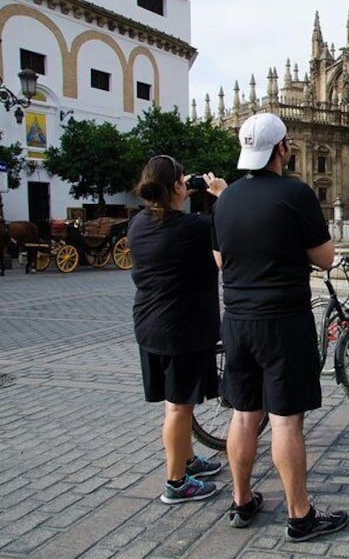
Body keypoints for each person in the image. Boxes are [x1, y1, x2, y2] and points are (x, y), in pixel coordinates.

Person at [212, 113, 347, 541]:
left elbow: (220, 260)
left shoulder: (225, 200)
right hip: (283, 321)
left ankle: (241, 501)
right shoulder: (296, 193)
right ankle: (300, 515)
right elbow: (325, 259)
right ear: (283, 149)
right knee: (286, 420)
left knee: (243, 414)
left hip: (236, 320)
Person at [127, 155, 228, 505]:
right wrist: (221, 196)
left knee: (177, 402)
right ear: (174, 187)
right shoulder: (191, 229)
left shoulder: (138, 223)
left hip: (150, 324)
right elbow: (224, 242)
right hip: (179, 329)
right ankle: (176, 482)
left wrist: (193, 197)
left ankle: (186, 460)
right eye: (182, 181)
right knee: (178, 406)